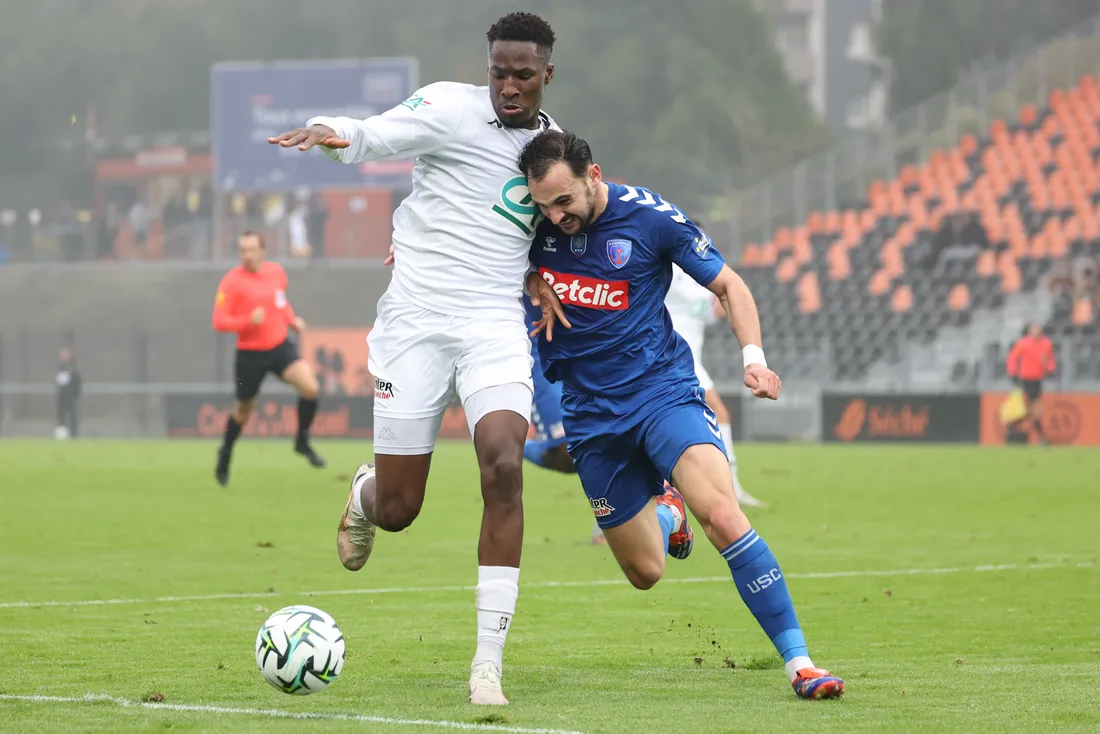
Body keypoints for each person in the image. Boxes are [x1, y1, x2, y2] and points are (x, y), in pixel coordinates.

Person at [267, 12, 563, 706]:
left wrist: (536, 273)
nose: (509, 86)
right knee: (402, 510)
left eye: (523, 74)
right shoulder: (448, 107)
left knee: (505, 463)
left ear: (547, 74)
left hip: (493, 325)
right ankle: (367, 493)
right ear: (486, 67)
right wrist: (327, 127)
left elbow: (558, 218)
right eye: (499, 72)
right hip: (416, 325)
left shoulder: (555, 145)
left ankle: (487, 664)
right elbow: (374, 134)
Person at [520, 130, 845, 700]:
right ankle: (668, 516)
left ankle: (800, 662)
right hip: (590, 416)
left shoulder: (650, 219)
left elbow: (729, 284)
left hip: (661, 393)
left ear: (593, 175)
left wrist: (754, 360)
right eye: (543, 205)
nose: (554, 215)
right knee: (646, 573)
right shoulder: (530, 226)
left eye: (563, 201)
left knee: (721, 513)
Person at [211, 230, 325, 486]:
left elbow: (280, 303)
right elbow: (218, 321)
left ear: (262, 251)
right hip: (250, 354)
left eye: (252, 249)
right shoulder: (231, 281)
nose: (247, 255)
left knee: (311, 387)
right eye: (242, 250)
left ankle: (302, 440)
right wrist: (247, 321)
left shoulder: (276, 273)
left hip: (278, 346)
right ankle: (226, 451)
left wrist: (291, 320)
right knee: (243, 411)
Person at [664, 264, 768, 508]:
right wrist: (720, 290)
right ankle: (729, 488)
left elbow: (705, 312)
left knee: (692, 422)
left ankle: (715, 488)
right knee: (718, 414)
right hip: (675, 357)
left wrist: (721, 301)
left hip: (690, 359)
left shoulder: (696, 281)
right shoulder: (671, 271)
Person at [1005, 322, 1057, 444]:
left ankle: (1012, 424)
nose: (1036, 331)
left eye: (1037, 329)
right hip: (1025, 379)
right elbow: (1013, 358)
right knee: (1034, 410)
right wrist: (1013, 374)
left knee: (1031, 411)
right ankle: (1042, 438)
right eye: (1033, 329)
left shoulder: (1046, 343)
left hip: (1037, 379)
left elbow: (1050, 360)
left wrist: (1050, 369)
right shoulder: (1023, 343)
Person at [55, 347, 81, 439]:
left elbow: (77, 382)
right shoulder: (60, 367)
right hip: (61, 395)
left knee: (72, 415)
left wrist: (75, 393)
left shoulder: (73, 368)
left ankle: (74, 434)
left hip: (70, 395)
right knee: (61, 414)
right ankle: (62, 434)